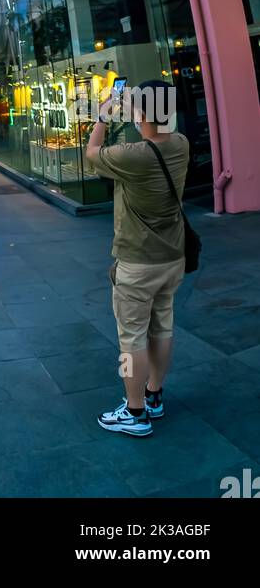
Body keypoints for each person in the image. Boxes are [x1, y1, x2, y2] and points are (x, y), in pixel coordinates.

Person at [86, 79, 191, 438]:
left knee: (132, 337)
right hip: (172, 257)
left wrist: (102, 113)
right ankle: (154, 396)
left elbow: (91, 153)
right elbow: (154, 131)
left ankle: (135, 412)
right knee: (162, 326)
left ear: (142, 113)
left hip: (138, 261)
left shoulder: (132, 156)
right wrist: (133, 108)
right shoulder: (180, 144)